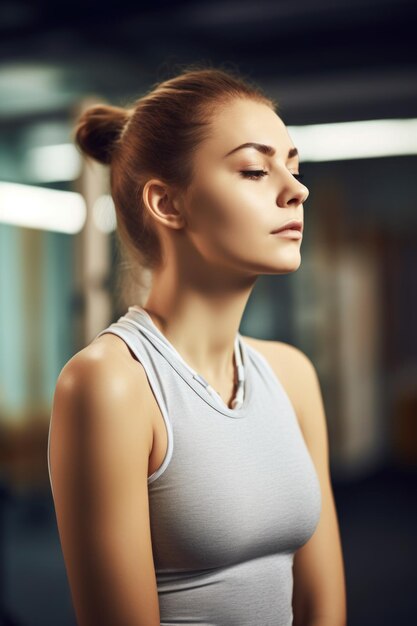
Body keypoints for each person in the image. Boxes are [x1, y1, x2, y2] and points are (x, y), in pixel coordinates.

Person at [47, 66, 347, 626]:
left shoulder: (292, 374)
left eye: (294, 166)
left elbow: (322, 606)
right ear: (167, 204)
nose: (298, 189)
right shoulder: (110, 385)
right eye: (256, 170)